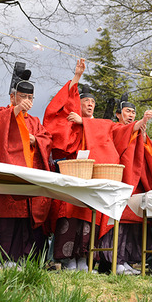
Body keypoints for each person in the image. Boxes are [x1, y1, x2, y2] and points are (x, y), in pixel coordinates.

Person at [43, 58, 137, 271]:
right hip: (74, 175)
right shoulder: (72, 123)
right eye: (85, 101)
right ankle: (68, 260)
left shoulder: (101, 125)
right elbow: (56, 112)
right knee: (70, 215)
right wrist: (76, 77)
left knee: (90, 217)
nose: (90, 104)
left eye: (93, 103)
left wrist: (85, 122)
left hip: (94, 176)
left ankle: (86, 260)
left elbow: (116, 130)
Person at [0, 70, 53, 264]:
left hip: (27, 179)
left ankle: (20, 260)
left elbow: (46, 140)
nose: (27, 101)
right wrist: (15, 111)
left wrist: (35, 140)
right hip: (5, 180)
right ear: (12, 96)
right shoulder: (1, 113)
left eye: (30, 97)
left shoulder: (35, 122)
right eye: (23, 96)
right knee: (3, 221)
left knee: (23, 222)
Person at [99, 95, 152, 275]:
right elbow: (121, 137)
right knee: (118, 222)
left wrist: (144, 134)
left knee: (133, 225)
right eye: (127, 111)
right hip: (120, 180)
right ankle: (114, 261)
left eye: (133, 112)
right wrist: (141, 123)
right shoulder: (115, 128)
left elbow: (149, 154)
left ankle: (125, 261)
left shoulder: (137, 129)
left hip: (136, 180)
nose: (131, 115)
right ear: (118, 115)